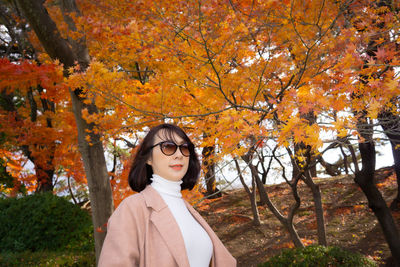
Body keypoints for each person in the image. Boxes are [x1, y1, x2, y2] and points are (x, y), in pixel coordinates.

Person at [98, 123, 236, 267]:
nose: (179, 155)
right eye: (168, 147)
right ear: (149, 158)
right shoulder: (132, 208)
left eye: (184, 148)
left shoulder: (190, 212)